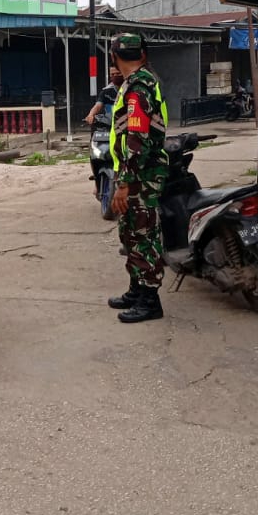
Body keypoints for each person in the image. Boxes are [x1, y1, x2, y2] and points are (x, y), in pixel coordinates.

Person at [106, 34, 169, 324]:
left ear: (114, 56)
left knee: (144, 236)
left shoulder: (138, 89)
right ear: (142, 55)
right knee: (130, 233)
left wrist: (124, 182)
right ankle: (137, 288)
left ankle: (150, 300)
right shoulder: (134, 84)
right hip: (135, 173)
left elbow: (137, 138)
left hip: (141, 176)